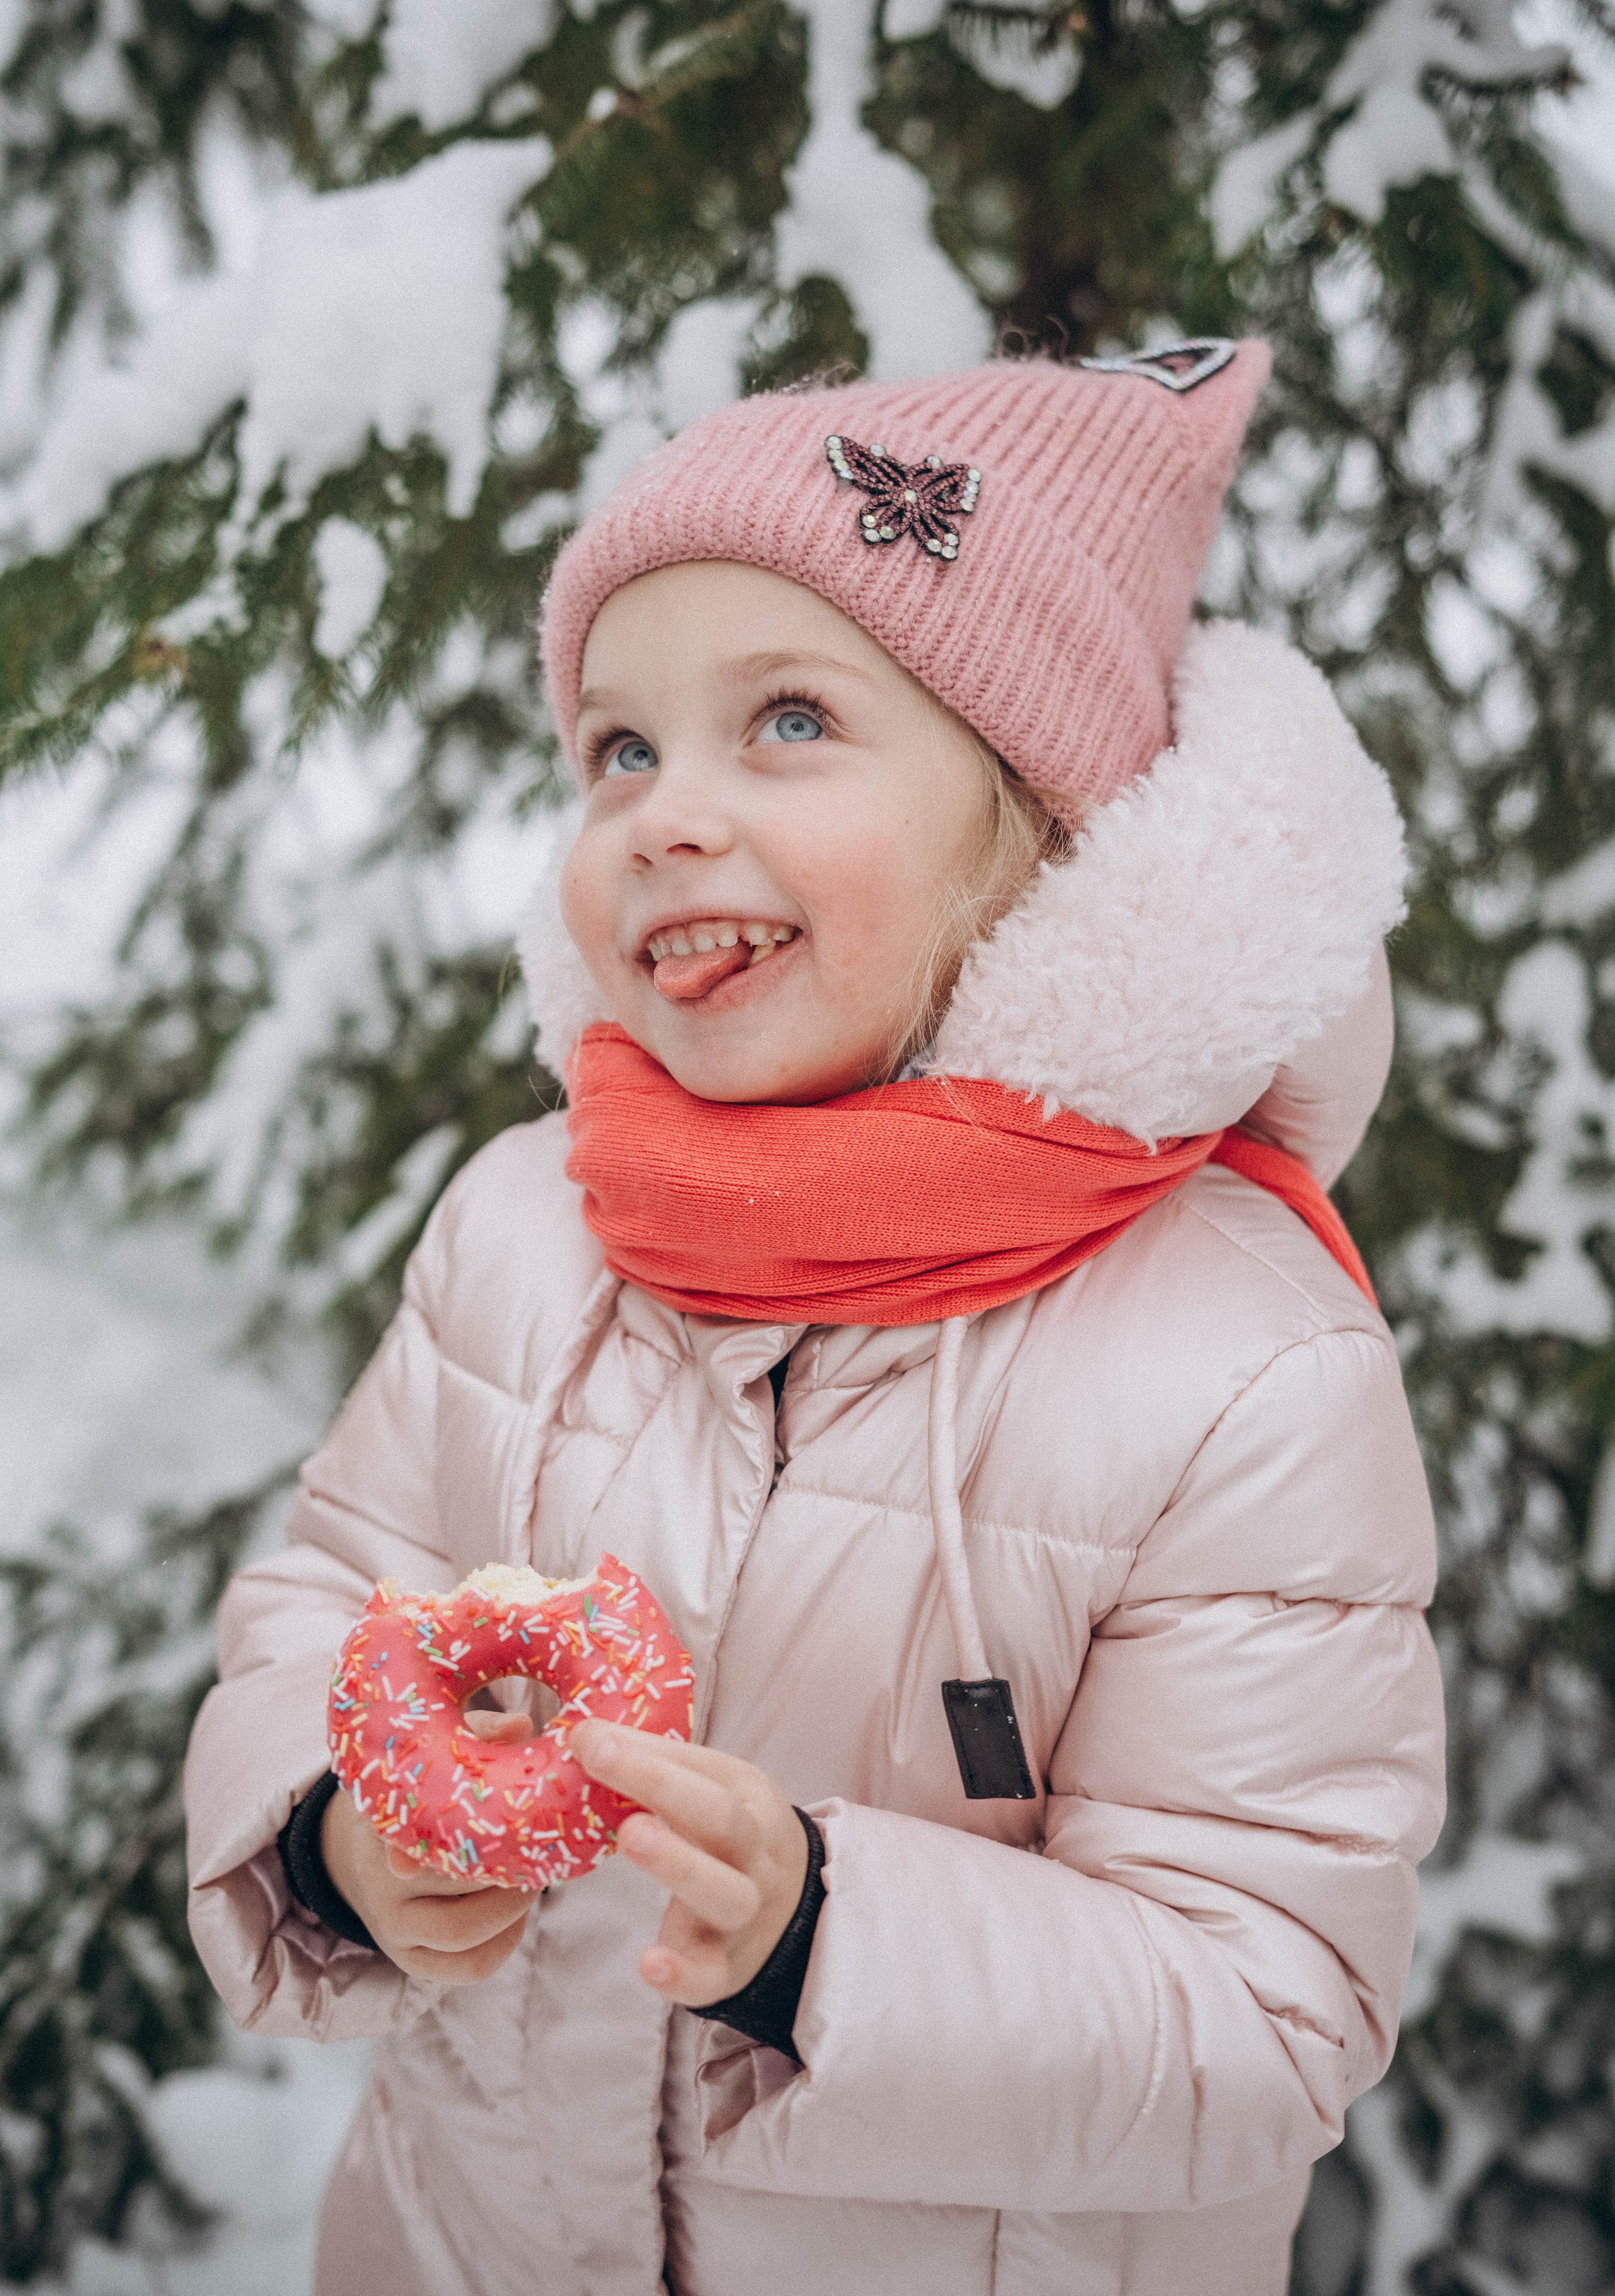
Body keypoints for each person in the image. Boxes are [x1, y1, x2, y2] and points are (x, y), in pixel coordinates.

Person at [184, 341, 1445, 2296]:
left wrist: (823, 1938)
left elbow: (1267, 2005)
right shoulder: (529, 1226)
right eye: (620, 749)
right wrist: (339, 1832)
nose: (665, 813)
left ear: (1036, 816)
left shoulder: (1240, 1364)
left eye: (788, 719)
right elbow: (322, 1611)